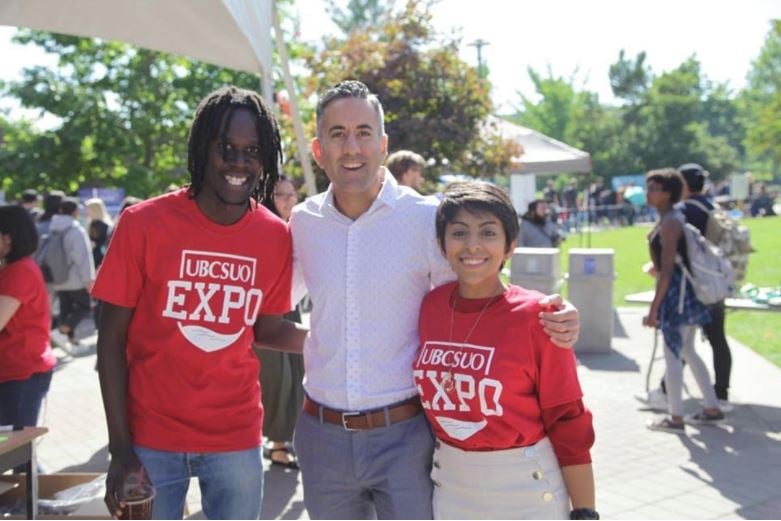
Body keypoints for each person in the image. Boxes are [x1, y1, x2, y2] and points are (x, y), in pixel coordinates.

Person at [289, 80, 581, 519]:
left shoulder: (426, 218)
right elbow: (270, 302)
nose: (352, 147)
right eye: (337, 134)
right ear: (318, 149)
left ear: (383, 144)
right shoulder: (303, 222)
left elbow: (479, 293)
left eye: (364, 133)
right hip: (322, 434)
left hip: (407, 433)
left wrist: (550, 311)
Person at [92, 86, 306, 520]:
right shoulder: (143, 223)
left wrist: (332, 340)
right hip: (150, 437)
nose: (238, 161)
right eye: (225, 147)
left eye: (252, 150)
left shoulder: (274, 235)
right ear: (201, 148)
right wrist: (119, 449)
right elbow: (110, 341)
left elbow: (265, 328)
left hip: (237, 437)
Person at [415, 181, 596, 519]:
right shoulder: (430, 306)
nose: (472, 245)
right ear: (441, 244)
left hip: (526, 491)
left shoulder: (539, 317)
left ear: (510, 246)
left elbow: (568, 421)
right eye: (458, 233)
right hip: (450, 490)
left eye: (488, 233)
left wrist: (585, 510)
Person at [638, 163, 734, 411]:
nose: (648, 193)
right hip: (690, 290)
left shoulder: (671, 221)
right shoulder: (675, 217)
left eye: (653, 188)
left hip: (679, 294)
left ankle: (675, 416)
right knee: (689, 351)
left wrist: (654, 308)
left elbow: (667, 270)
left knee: (674, 354)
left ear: (668, 192)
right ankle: (712, 406)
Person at [257, 174, 305, 470]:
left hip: (291, 308)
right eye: (281, 194)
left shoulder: (297, 228)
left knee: (294, 377)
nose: (289, 200)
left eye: (292, 194)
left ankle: (281, 443)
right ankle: (274, 442)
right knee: (276, 380)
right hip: (265, 313)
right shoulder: (261, 229)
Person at [0, 206, 56, 432]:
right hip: (18, 369)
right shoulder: (14, 268)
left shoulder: (18, 272)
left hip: (22, 372)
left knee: (17, 451)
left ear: (7, 238)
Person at [49, 197, 96, 351]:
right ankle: (62, 331)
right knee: (84, 307)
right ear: (75, 212)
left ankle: (72, 341)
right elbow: (83, 257)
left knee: (66, 310)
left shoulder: (52, 227)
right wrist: (88, 280)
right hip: (75, 278)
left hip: (57, 276)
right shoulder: (76, 230)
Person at [85, 197, 114, 269]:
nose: (87, 212)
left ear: (94, 210)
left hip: (96, 258)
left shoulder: (95, 225)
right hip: (105, 258)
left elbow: (94, 242)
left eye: (88, 209)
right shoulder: (107, 224)